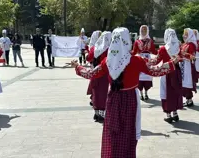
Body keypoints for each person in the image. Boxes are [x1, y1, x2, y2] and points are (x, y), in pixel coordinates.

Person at [71, 27, 180, 158]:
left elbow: (90, 73)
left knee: (113, 131)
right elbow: (154, 70)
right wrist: (171, 63)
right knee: (128, 132)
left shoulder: (108, 61)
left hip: (113, 99)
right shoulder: (135, 60)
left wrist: (77, 67)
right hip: (130, 100)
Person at [147, 28, 184, 123]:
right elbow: (181, 59)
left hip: (166, 72)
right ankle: (175, 113)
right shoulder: (179, 47)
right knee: (175, 91)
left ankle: (168, 114)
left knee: (166, 92)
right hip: (176, 71)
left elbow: (156, 61)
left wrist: (146, 61)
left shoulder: (163, 49)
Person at [86, 31, 111, 122]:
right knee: (103, 93)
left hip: (95, 73)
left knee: (96, 92)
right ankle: (101, 113)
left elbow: (88, 58)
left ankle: (96, 113)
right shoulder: (109, 49)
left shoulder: (94, 48)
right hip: (104, 74)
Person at [131, 25, 157, 101]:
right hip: (140, 59)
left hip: (148, 60)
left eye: (145, 30)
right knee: (140, 77)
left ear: (147, 31)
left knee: (147, 77)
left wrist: (162, 52)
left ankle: (146, 93)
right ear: (140, 31)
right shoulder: (137, 41)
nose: (143, 32)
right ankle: (141, 93)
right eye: (142, 30)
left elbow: (154, 51)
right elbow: (134, 51)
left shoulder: (150, 41)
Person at [180, 28, 198, 107]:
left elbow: (192, 56)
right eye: (184, 34)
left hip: (187, 66)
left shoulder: (191, 45)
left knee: (187, 82)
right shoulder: (184, 44)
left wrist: (184, 54)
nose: (184, 36)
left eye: (186, 34)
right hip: (183, 64)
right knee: (183, 82)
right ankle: (187, 99)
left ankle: (189, 100)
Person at [85, 30, 101, 106]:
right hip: (95, 66)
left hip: (100, 67)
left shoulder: (101, 46)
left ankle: (95, 99)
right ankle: (94, 98)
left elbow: (88, 57)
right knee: (95, 83)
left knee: (97, 84)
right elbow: (89, 58)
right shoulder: (93, 47)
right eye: (99, 35)